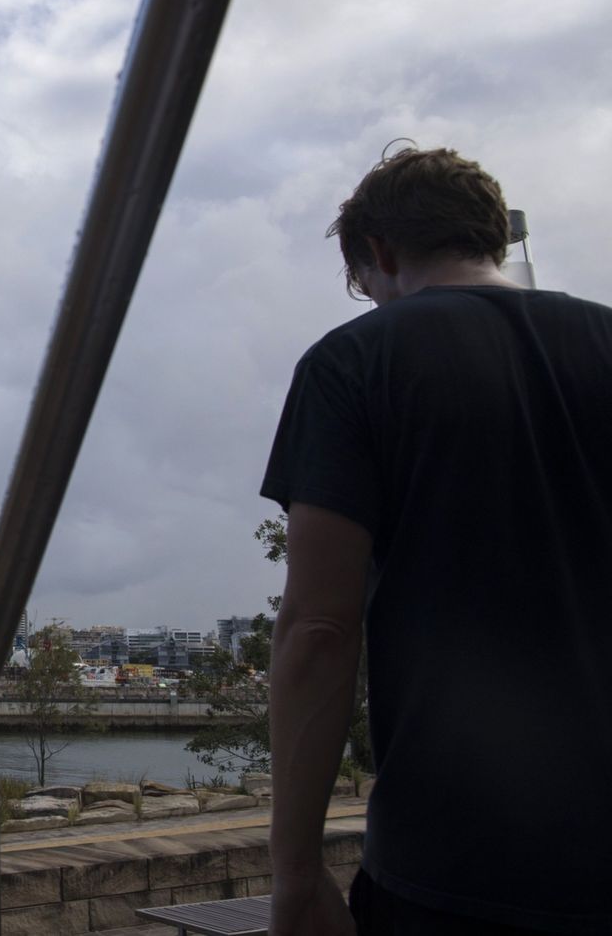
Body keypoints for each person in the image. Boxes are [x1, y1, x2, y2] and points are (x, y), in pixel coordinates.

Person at [260, 147, 612, 935]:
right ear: (490, 237)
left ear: (379, 255)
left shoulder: (353, 362)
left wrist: (295, 877)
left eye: (363, 285)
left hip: (455, 859)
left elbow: (319, 630)